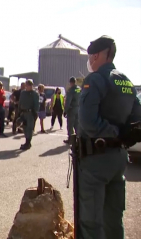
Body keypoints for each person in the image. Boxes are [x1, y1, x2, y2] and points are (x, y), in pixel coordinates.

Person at [77, 36, 141, 239]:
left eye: (90, 56)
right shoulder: (127, 81)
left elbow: (87, 122)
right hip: (119, 158)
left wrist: (112, 134)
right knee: (113, 219)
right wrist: (121, 136)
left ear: (96, 55)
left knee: (91, 221)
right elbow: (137, 120)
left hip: (96, 159)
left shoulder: (95, 79)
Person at [18, 80, 39, 150]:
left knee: (30, 128)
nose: (28, 86)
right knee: (24, 127)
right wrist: (19, 112)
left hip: (30, 113)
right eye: (27, 85)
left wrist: (35, 113)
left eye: (30, 85)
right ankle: (27, 142)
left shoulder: (35, 94)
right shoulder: (23, 93)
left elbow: (36, 105)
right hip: (23, 112)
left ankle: (28, 143)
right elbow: (20, 102)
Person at [63, 77, 81, 144]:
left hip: (72, 109)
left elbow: (68, 101)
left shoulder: (71, 90)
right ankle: (79, 138)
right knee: (77, 124)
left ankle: (70, 139)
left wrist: (65, 110)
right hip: (78, 109)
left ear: (70, 82)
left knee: (70, 125)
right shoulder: (79, 89)